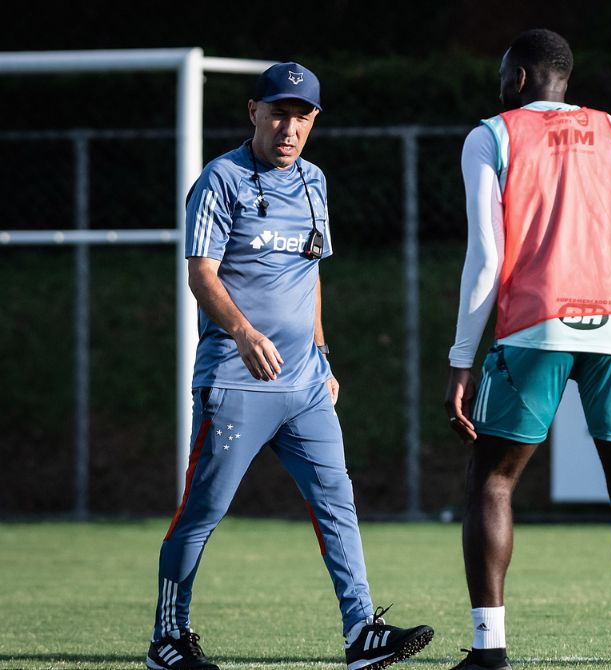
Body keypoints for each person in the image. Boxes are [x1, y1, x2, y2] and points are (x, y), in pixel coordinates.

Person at [145, 62, 433, 670]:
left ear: (314, 122)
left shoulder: (313, 182)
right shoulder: (219, 180)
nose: (289, 127)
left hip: (304, 386)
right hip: (233, 380)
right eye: (279, 112)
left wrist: (322, 356)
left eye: (302, 117)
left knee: (338, 501)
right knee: (202, 510)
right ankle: (168, 638)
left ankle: (361, 634)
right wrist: (244, 331)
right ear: (254, 111)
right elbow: (201, 274)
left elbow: (311, 272)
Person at [443, 29, 611, 670]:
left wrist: (462, 357)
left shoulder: (491, 135)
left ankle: (490, 651)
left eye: (502, 75)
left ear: (518, 78)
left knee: (492, 482)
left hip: (534, 328)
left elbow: (486, 256)